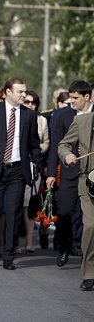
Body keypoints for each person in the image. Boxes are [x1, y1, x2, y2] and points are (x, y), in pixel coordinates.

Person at [0, 76, 43, 270]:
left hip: (17, 171)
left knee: (13, 213)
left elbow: (34, 145)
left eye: (25, 91)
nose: (24, 94)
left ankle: (8, 255)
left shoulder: (29, 115)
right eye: (20, 91)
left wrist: (39, 166)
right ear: (8, 93)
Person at [47, 80, 91, 266]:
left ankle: (84, 251)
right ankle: (64, 245)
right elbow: (56, 144)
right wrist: (50, 173)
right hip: (70, 172)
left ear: (87, 97)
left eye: (75, 98)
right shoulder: (63, 116)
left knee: (89, 218)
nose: (71, 101)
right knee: (64, 212)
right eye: (70, 97)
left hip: (91, 174)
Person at [57, 110, 94, 291]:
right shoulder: (82, 121)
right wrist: (67, 155)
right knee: (90, 226)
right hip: (89, 184)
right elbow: (63, 145)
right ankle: (89, 273)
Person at [21, 90, 49, 253]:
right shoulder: (18, 117)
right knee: (17, 204)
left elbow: (46, 142)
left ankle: (29, 241)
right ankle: (15, 241)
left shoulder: (42, 120)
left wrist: (36, 150)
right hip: (19, 163)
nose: (30, 105)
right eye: (27, 102)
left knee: (30, 203)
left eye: (33, 102)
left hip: (34, 164)